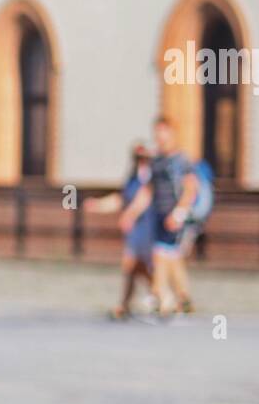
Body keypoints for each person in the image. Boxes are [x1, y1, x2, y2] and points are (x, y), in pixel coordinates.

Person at [119, 116, 199, 317]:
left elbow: (191, 187)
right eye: (157, 133)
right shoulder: (156, 162)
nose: (160, 137)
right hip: (159, 217)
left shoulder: (181, 160)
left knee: (160, 255)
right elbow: (147, 192)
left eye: (163, 132)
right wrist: (131, 213)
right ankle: (183, 297)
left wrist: (179, 213)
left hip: (175, 218)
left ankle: (162, 298)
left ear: (172, 133)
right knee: (171, 257)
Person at [83, 142, 154, 319]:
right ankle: (131, 302)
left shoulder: (150, 176)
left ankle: (155, 297)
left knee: (135, 265)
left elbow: (145, 197)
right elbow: (122, 199)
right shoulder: (132, 177)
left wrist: (130, 215)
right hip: (136, 230)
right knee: (134, 266)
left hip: (148, 227)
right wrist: (98, 205)